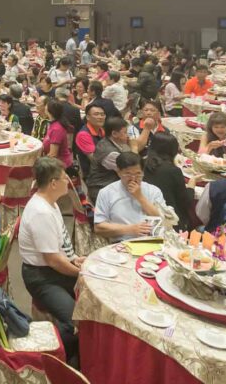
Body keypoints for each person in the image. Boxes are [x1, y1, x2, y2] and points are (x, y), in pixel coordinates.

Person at [19, 157, 84, 358]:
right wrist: (80, 273)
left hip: (53, 269)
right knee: (74, 320)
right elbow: (53, 260)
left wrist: (74, 259)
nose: (69, 182)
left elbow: (60, 247)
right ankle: (53, 359)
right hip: (41, 277)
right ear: (53, 183)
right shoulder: (41, 212)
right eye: (65, 178)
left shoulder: (51, 204)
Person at [93, 151, 167, 242]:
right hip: (121, 243)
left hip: (152, 241)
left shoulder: (153, 190)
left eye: (138, 174)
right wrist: (130, 229)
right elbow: (99, 227)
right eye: (128, 174)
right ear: (119, 172)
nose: (133, 179)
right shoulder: (106, 193)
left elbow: (163, 219)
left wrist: (140, 197)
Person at [143, 132, 190, 230]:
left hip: (142, 215)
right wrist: (191, 186)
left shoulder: (141, 164)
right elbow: (184, 201)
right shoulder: (173, 171)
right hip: (168, 219)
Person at [42, 100, 75, 170]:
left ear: (49, 111)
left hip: (59, 166)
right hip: (55, 163)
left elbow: (53, 154)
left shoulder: (56, 129)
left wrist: (41, 160)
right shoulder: (54, 123)